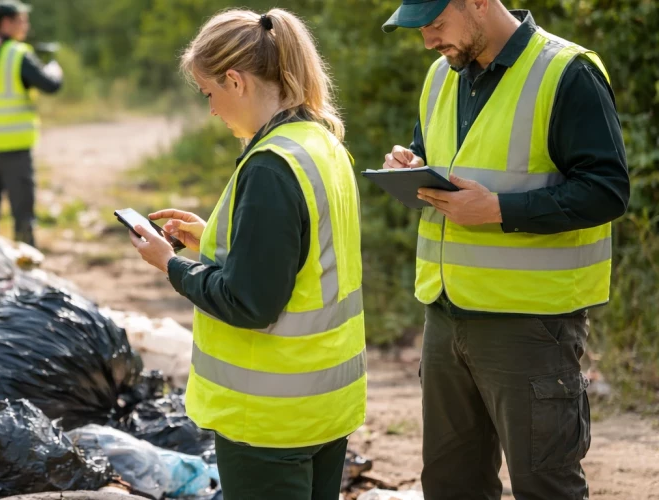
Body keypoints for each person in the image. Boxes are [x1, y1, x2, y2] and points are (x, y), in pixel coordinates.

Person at [381, 0, 630, 498]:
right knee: (451, 485)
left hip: (531, 325)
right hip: (445, 316)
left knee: (545, 487)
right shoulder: (441, 74)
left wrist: (499, 209)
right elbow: (445, 159)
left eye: (435, 24)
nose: (428, 41)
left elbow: (607, 190)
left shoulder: (567, 72)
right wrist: (410, 166)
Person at [129, 9, 366, 500]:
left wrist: (170, 264)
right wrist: (209, 238)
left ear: (235, 81)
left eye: (208, 93)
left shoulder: (269, 167)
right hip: (325, 406)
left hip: (268, 420)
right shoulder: (322, 143)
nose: (212, 110)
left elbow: (249, 302)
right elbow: (305, 254)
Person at [0, 0, 63, 247]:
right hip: (13, 149)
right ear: (6, 23)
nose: (26, 26)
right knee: (23, 216)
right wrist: (54, 67)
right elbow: (50, 85)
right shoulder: (18, 54)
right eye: (22, 20)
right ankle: (26, 262)